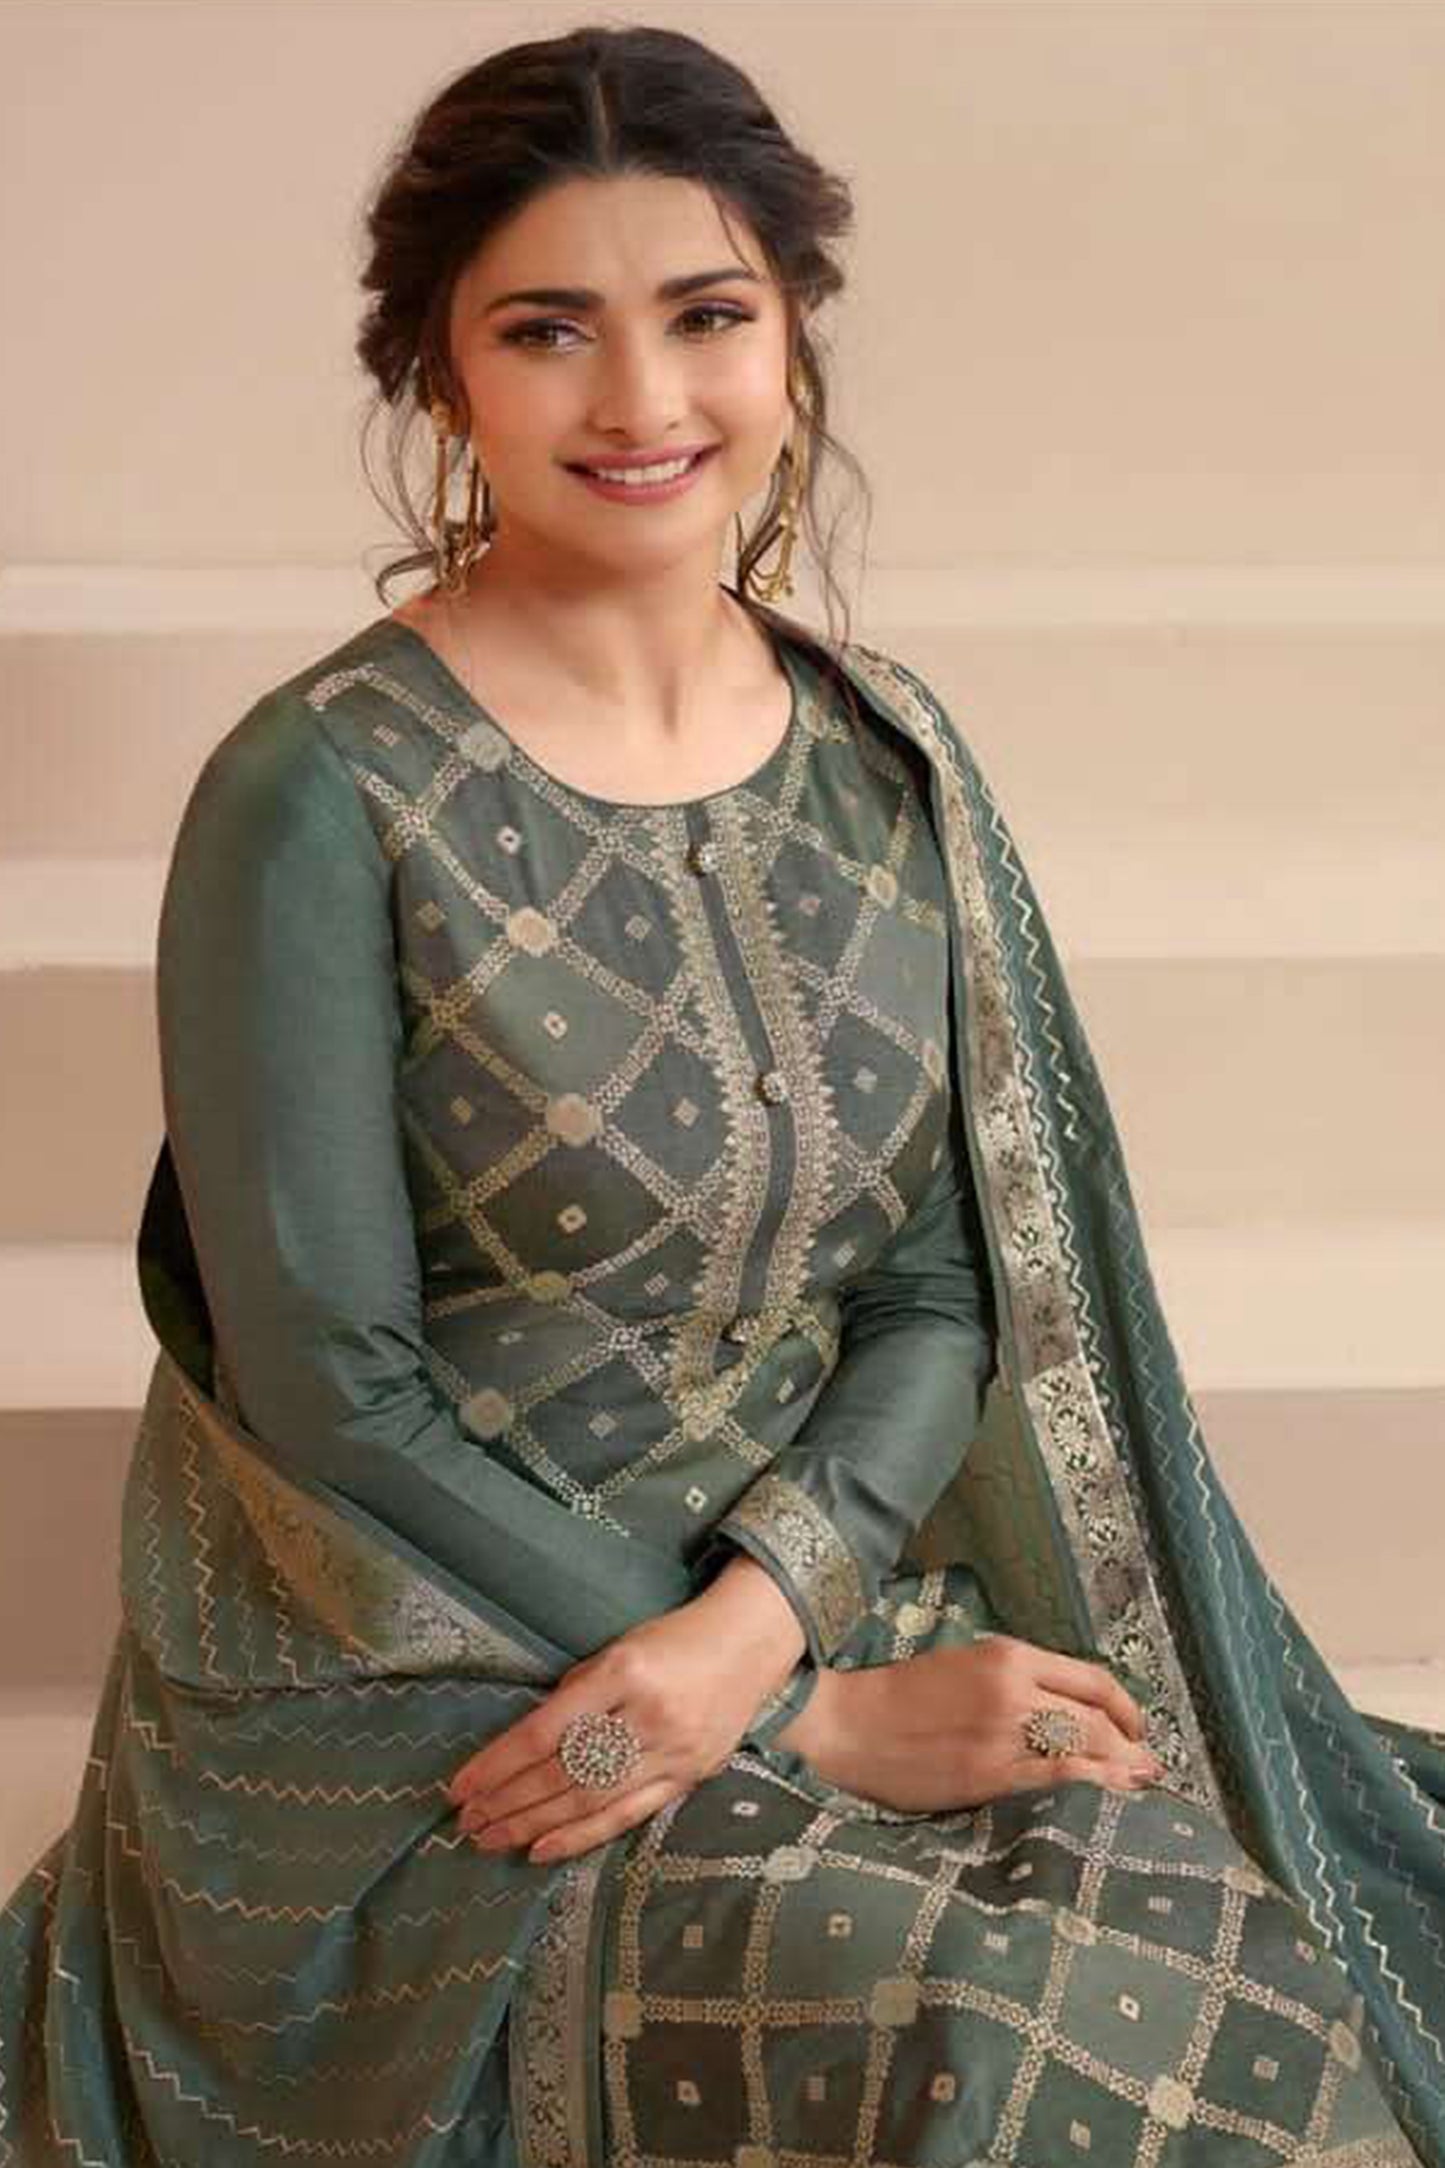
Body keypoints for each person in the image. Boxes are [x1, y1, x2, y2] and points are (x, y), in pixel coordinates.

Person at [1, 22, 1440, 2167]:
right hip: (431, 1665)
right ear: (439, 374)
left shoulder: (880, 760)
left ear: (791, 337)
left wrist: (777, 1628)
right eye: (547, 330)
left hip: (808, 1586)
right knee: (1009, 2039)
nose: (642, 399)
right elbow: (329, 1394)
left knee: (1261, 1941)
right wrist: (796, 1713)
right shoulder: (319, 795)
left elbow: (938, 1290)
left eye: (705, 316)